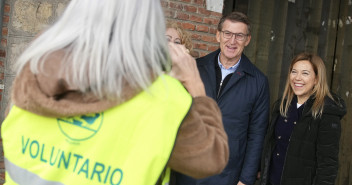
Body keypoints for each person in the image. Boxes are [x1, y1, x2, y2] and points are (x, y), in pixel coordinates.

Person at [1, 0, 229, 185]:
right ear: (149, 25)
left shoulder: (33, 74)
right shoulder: (165, 98)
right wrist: (196, 86)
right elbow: (212, 157)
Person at [175, 11, 270, 185]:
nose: (232, 41)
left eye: (239, 36)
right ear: (218, 35)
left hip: (226, 174)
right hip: (187, 169)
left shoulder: (259, 82)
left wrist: (246, 180)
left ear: (247, 40)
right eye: (227, 33)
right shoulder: (196, 68)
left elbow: (257, 135)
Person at [260, 53, 346, 185]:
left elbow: (327, 165)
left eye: (305, 73)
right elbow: (271, 149)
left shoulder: (326, 113)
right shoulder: (282, 106)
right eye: (294, 72)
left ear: (316, 79)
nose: (297, 78)